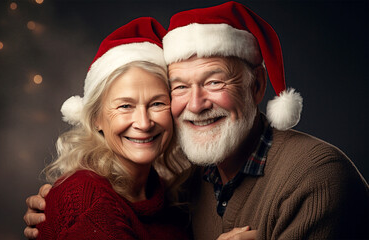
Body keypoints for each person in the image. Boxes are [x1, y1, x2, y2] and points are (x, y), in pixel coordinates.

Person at [25, 2, 369, 239]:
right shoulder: (192, 179)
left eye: (214, 82)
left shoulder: (316, 178)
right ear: (96, 117)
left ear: (257, 85)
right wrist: (66, 208)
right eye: (179, 87)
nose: (196, 103)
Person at [33, 17, 194, 239]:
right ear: (96, 118)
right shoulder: (84, 196)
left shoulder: (166, 196)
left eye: (157, 103)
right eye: (125, 106)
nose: (144, 123)